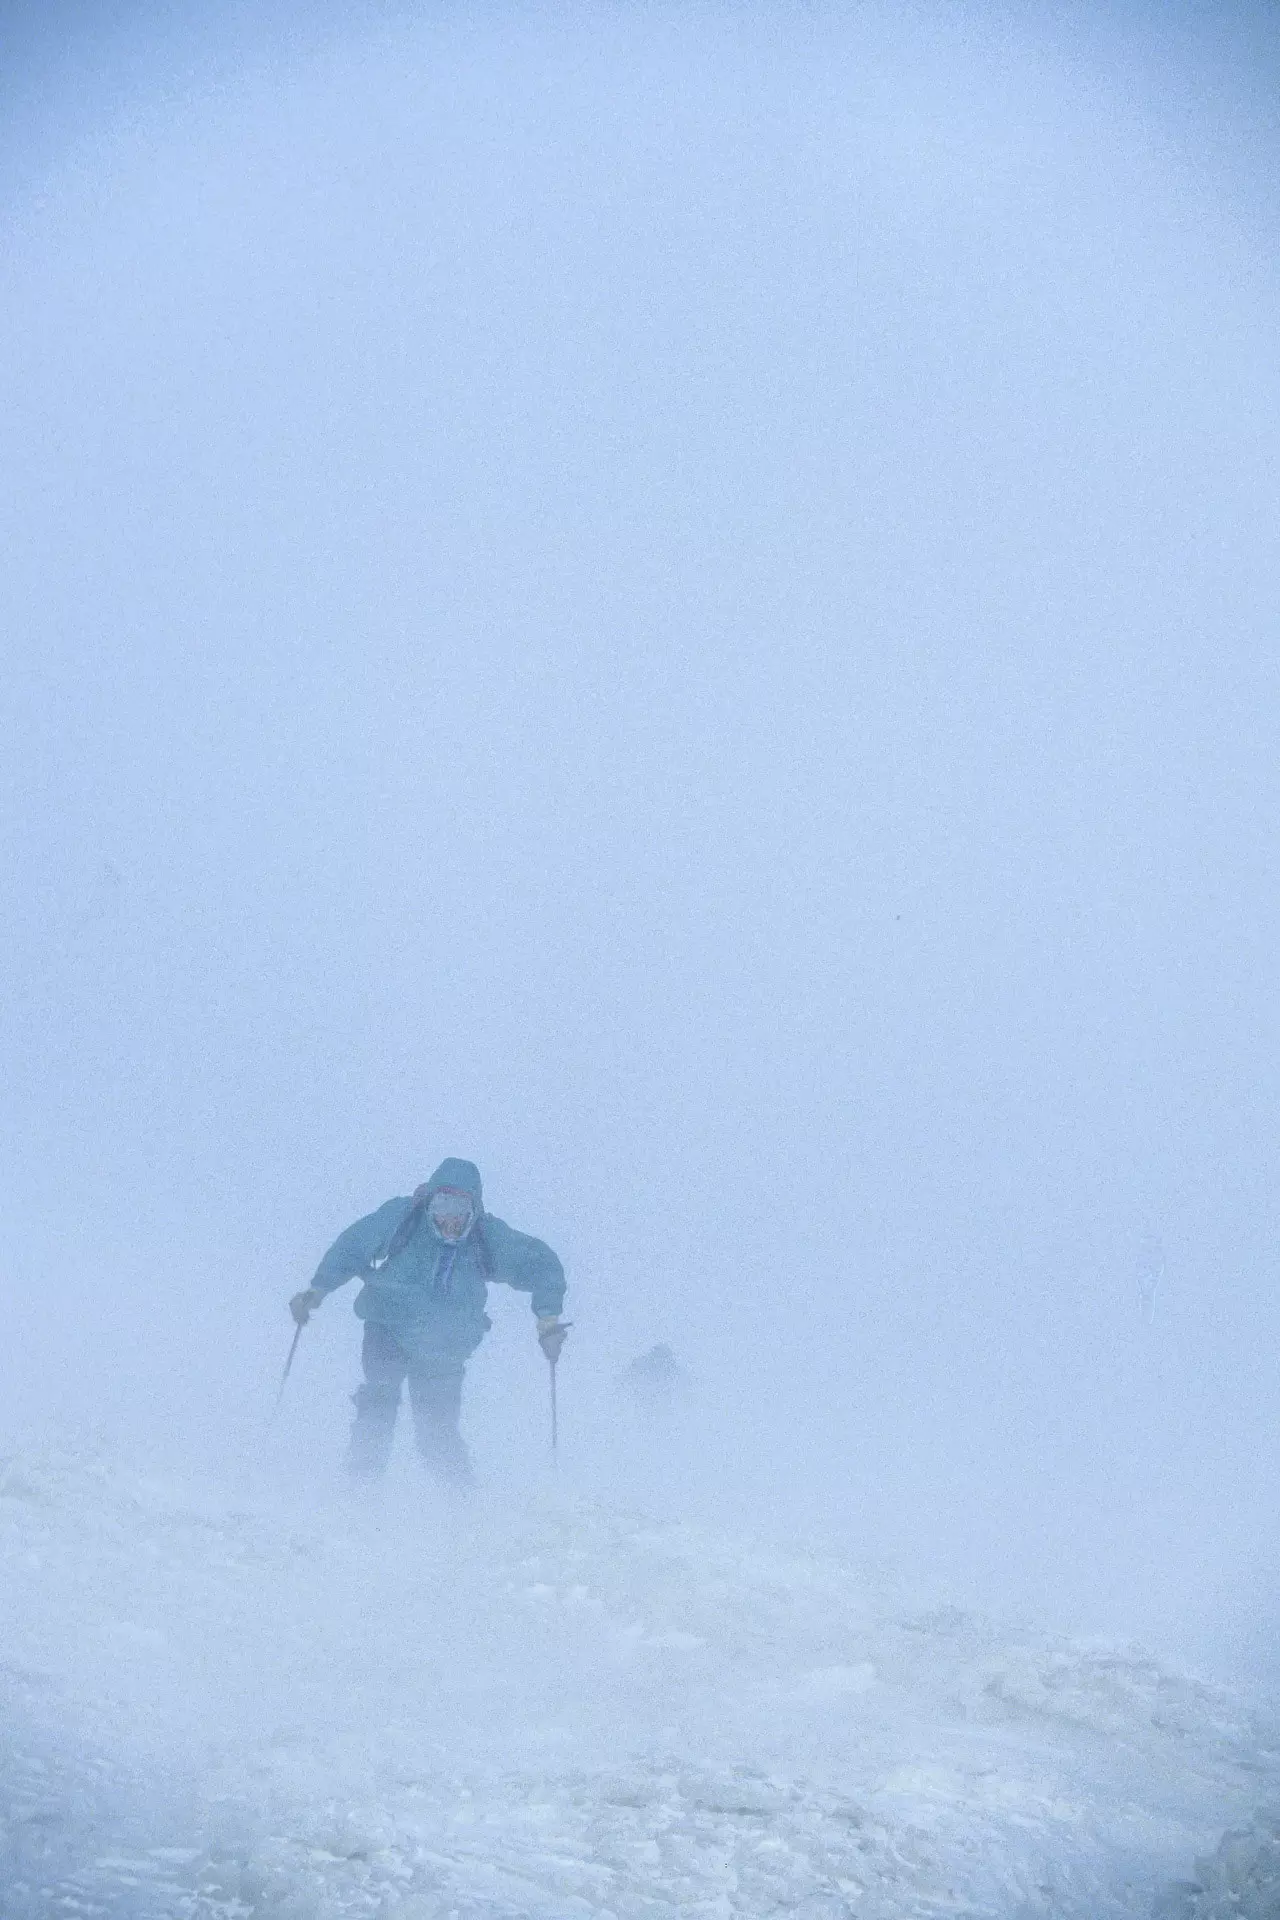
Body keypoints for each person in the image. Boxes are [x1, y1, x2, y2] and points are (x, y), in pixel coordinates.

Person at [289, 1158, 567, 1484]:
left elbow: (541, 1265)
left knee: (437, 1429)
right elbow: (353, 1247)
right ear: (429, 1201)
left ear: (474, 1209)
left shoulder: (487, 1237)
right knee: (378, 1402)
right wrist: (317, 1290)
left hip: (445, 1347)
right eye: (443, 1202)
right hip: (387, 1327)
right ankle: (359, 1491)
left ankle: (460, 1506)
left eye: (461, 1206)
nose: (450, 1216)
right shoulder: (403, 1218)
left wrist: (548, 1320)